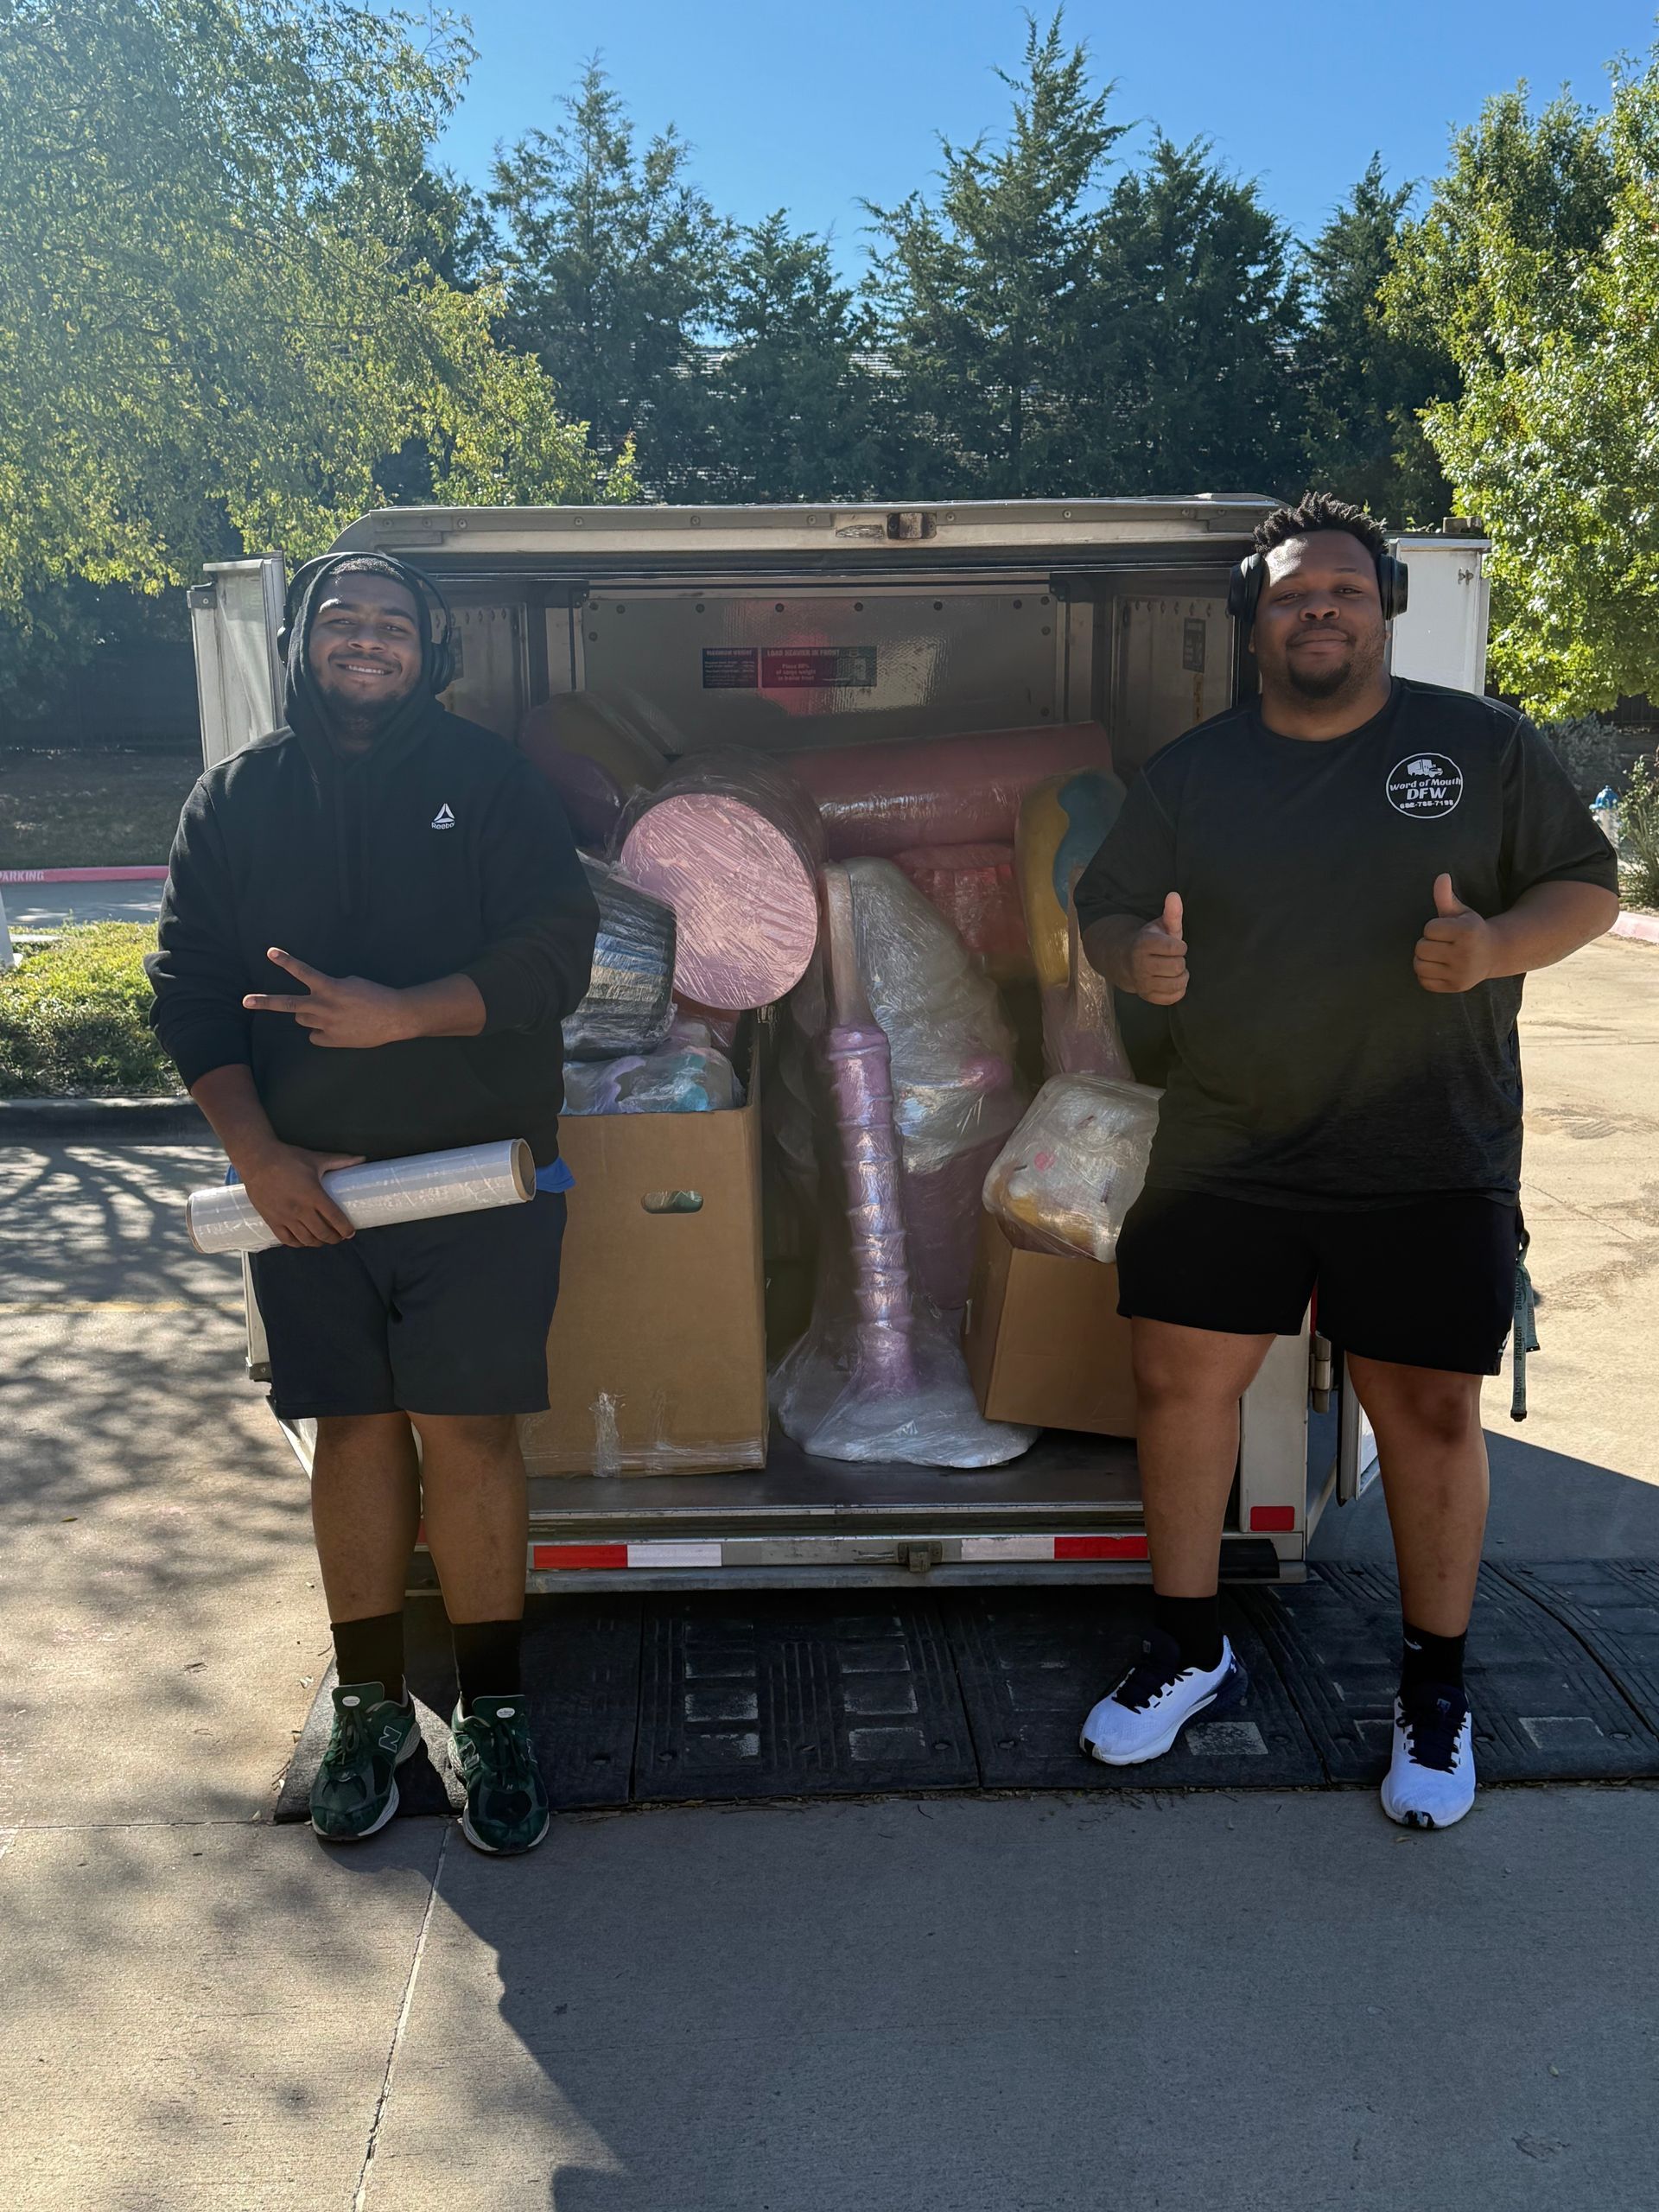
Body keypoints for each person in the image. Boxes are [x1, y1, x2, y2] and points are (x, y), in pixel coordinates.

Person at [1073, 492, 1618, 1830]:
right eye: (1291, 594)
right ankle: (1189, 1645)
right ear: (1254, 622)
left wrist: (1494, 948)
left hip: (1428, 1145)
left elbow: (1587, 887)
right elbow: (1106, 906)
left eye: (1344, 590)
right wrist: (1136, 955)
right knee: (1178, 1387)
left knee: (1428, 1416)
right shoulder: (1193, 773)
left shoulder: (1481, 746)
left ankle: (1435, 1689)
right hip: (1228, 1141)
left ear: (1386, 610)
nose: (1318, 609)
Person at [149, 552, 598, 1856]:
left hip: (474, 1177)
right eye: (340, 619)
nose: (366, 639)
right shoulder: (235, 800)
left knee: (467, 1433)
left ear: (429, 651)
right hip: (309, 1188)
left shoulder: (490, 783)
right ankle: (369, 1707)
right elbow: (187, 989)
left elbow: (555, 957)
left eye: (392, 624)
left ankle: (493, 1711)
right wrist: (259, 1159)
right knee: (350, 1432)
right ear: (301, 642)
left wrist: (403, 1015)